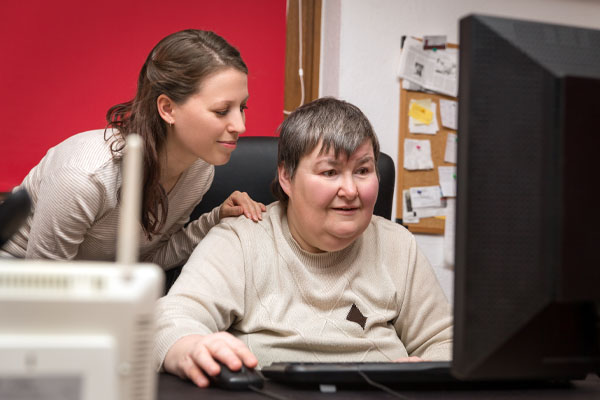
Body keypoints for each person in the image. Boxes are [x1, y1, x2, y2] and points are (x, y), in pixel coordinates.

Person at [153, 97, 453, 388]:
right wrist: (191, 346)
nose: (350, 190)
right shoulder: (240, 240)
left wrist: (429, 368)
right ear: (286, 176)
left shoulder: (398, 244)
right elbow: (173, 320)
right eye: (330, 172)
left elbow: (445, 341)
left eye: (362, 170)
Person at [0, 29, 265, 268]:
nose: (240, 125)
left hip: (93, 292)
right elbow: (44, 287)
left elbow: (142, 263)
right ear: (168, 108)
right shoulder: (85, 177)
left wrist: (216, 218)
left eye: (242, 108)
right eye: (221, 111)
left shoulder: (199, 169)